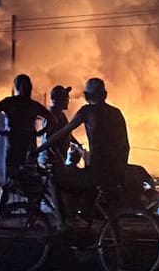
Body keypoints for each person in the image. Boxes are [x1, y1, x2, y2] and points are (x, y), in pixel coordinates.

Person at [34, 77, 129, 227]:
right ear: (105, 94)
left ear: (87, 96)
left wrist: (38, 150)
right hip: (113, 171)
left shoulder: (87, 111)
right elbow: (125, 146)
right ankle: (90, 228)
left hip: (96, 171)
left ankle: (63, 224)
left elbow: (62, 133)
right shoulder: (116, 113)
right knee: (99, 207)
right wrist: (121, 168)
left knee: (54, 180)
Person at [0, 74, 51, 183]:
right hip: (28, 143)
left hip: (14, 142)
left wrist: (0, 132)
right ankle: (30, 197)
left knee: (11, 176)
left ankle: (8, 195)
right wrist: (40, 132)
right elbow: (52, 120)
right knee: (29, 175)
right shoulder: (33, 105)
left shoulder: (9, 102)